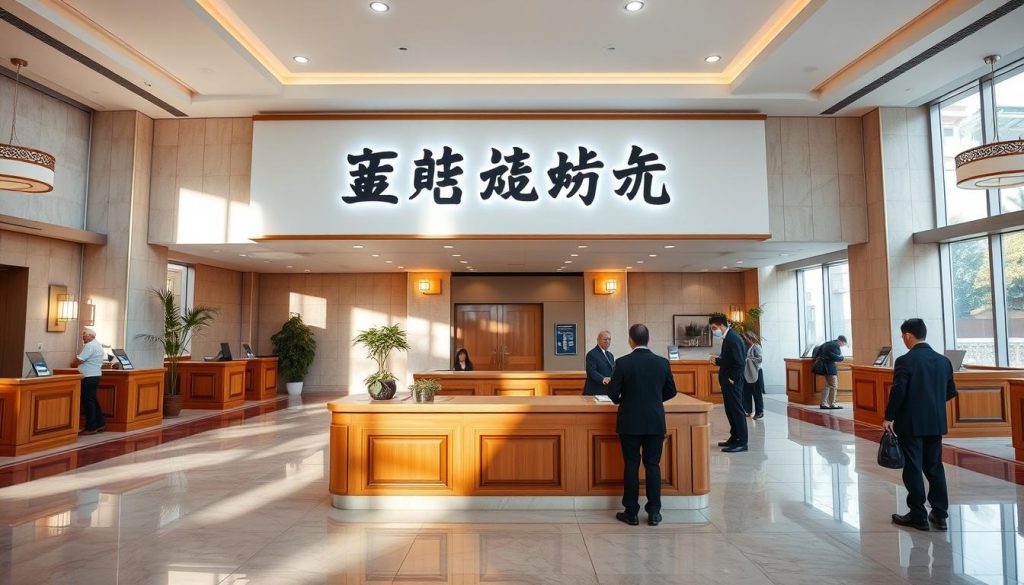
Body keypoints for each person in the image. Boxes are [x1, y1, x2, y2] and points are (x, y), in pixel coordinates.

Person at [884, 318, 957, 532]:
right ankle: (940, 514)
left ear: (908, 335)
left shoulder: (905, 361)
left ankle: (918, 514)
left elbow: (899, 391)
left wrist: (889, 416)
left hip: (911, 423)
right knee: (935, 467)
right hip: (935, 423)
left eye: (903, 337)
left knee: (913, 467)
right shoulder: (944, 361)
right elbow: (951, 391)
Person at [607, 323, 677, 527]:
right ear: (649, 340)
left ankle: (631, 512)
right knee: (653, 465)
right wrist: (655, 400)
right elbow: (671, 391)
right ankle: (654, 512)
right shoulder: (662, 362)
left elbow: (612, 394)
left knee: (631, 465)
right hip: (655, 420)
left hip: (629, 420)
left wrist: (626, 401)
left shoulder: (622, 363)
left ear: (630, 341)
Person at [709, 315, 747, 452]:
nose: (714, 331)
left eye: (714, 328)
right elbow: (729, 359)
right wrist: (718, 361)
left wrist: (732, 378)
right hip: (727, 381)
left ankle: (742, 442)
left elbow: (740, 362)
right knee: (730, 410)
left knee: (736, 411)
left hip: (732, 382)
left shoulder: (733, 338)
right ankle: (734, 437)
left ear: (721, 325)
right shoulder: (728, 337)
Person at [71, 326, 105, 435]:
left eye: (84, 335)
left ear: (90, 336)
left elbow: (80, 360)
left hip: (88, 377)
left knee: (88, 402)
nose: (83, 337)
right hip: (95, 376)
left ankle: (91, 427)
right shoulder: (98, 345)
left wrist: (73, 365)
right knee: (93, 401)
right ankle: (100, 424)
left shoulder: (90, 346)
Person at [815, 335, 847, 409]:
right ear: (840, 341)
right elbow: (835, 357)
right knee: (833, 386)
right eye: (843, 344)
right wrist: (841, 358)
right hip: (830, 368)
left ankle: (823, 403)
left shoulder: (829, 343)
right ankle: (832, 403)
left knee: (827, 386)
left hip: (826, 368)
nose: (843, 346)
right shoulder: (835, 345)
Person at [583, 330, 615, 395]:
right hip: (595, 391)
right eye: (605, 339)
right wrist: (603, 379)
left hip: (607, 391)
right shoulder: (591, 354)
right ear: (598, 340)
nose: (607, 341)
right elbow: (591, 371)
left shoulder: (610, 355)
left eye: (609, 339)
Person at [742, 330, 765, 420]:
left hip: (756, 372)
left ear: (750, 338)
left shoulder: (756, 346)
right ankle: (748, 410)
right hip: (748, 372)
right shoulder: (749, 346)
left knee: (757, 392)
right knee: (747, 391)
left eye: (746, 338)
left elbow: (759, 359)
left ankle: (759, 411)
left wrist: (748, 359)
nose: (745, 340)